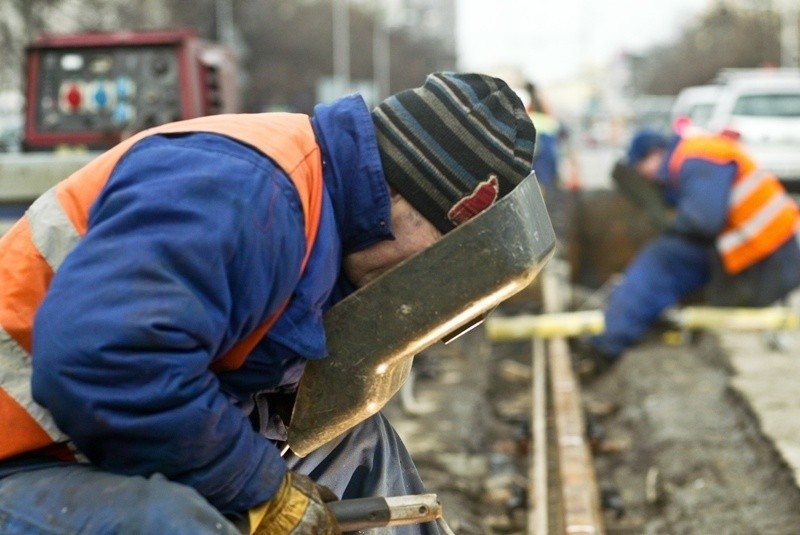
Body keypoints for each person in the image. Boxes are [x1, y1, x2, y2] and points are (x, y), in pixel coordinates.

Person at [0, 72, 536, 534]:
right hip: (24, 458)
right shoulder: (248, 195)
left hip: (89, 443)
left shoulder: (328, 220)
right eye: (435, 253)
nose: (419, 281)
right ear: (403, 196)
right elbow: (102, 365)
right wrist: (260, 489)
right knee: (179, 525)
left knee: (357, 447)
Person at [579, 127, 800, 377]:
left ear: (654, 155)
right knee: (666, 256)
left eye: (643, 169)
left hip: (764, 257)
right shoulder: (696, 153)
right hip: (766, 251)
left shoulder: (696, 158)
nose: (649, 178)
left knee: (660, 260)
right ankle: (623, 329)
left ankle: (609, 342)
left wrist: (672, 223)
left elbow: (703, 221)